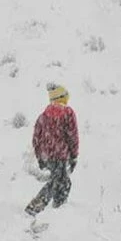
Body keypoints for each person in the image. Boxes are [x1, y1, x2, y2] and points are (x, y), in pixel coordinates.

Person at [26, 83, 79, 216]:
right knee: (59, 183)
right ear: (63, 97)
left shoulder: (43, 116)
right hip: (60, 154)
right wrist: (73, 156)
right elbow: (72, 136)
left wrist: (40, 157)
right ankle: (38, 207)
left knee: (61, 181)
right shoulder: (68, 112)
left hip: (47, 155)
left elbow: (36, 138)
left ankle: (57, 209)